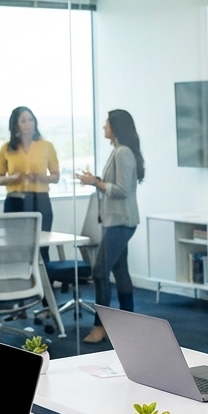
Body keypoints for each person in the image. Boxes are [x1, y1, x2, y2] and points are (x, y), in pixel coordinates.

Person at [77, 109, 144, 344]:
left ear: (115, 127)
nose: (104, 127)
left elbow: (122, 190)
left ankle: (100, 327)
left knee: (100, 271)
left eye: (106, 124)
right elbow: (114, 185)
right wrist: (95, 181)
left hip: (121, 221)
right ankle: (128, 324)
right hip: (116, 221)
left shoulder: (122, 153)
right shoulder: (118, 151)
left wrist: (96, 182)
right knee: (120, 270)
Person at [0, 106, 60, 242]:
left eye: (31, 120)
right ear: (15, 124)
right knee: (15, 244)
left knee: (42, 244)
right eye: (23, 121)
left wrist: (40, 177)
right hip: (15, 200)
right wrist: (13, 178)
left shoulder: (46, 146)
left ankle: (42, 263)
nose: (28, 124)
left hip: (40, 199)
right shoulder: (6, 148)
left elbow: (56, 177)